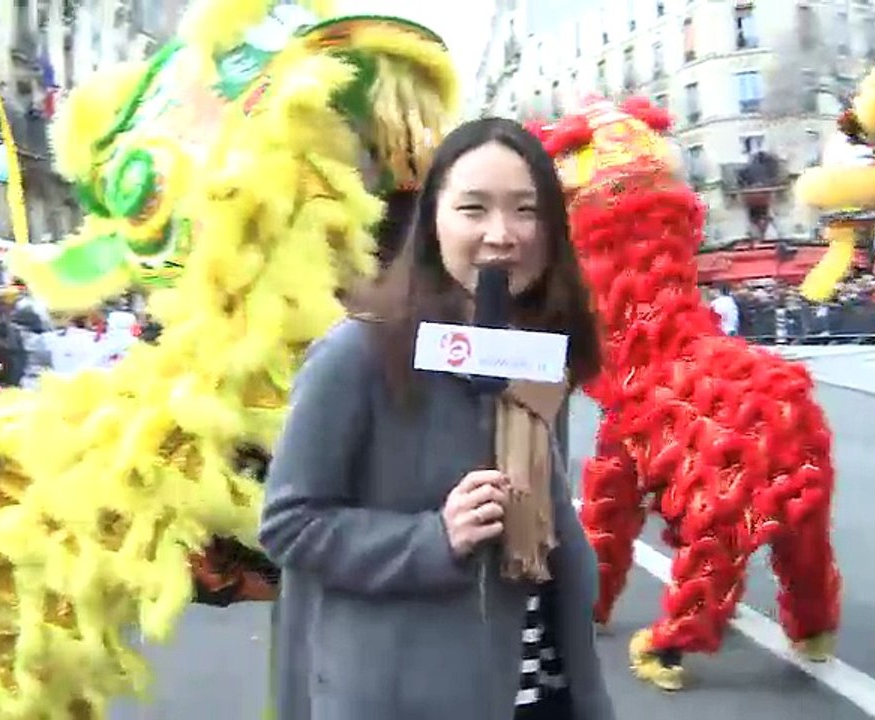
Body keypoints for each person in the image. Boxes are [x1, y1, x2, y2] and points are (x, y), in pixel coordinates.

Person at [258, 117, 614, 720]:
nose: (502, 234)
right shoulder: (357, 354)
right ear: (433, 223)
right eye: (474, 208)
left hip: (537, 685)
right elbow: (289, 525)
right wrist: (434, 538)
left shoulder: (536, 356)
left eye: (526, 210)